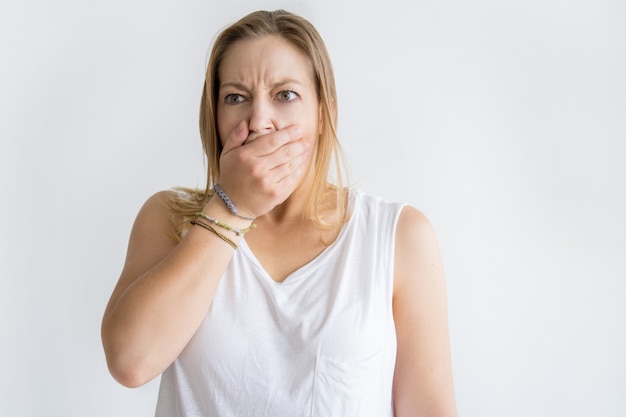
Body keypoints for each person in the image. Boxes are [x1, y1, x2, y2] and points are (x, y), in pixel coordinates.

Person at [101, 9, 457, 417]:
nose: (259, 121)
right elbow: (130, 362)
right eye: (236, 98)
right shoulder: (169, 219)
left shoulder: (398, 236)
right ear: (214, 118)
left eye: (285, 95)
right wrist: (232, 209)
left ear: (324, 112)